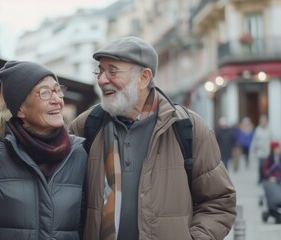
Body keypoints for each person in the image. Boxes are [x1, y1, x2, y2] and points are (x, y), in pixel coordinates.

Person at [69, 36, 236, 240]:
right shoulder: (86, 126)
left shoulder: (188, 128)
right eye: (100, 71)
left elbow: (219, 201)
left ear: (144, 77)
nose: (102, 79)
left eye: (112, 71)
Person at [0, 61, 88, 240]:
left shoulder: (77, 154)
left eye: (57, 90)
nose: (57, 100)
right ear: (20, 108)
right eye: (44, 93)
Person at [249, 114, 272, 182]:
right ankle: (260, 178)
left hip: (268, 151)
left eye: (264, 121)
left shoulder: (269, 130)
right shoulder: (257, 130)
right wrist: (252, 150)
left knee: (267, 166)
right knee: (261, 165)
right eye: (262, 121)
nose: (263, 122)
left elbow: (272, 140)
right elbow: (254, 141)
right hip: (260, 151)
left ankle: (265, 178)